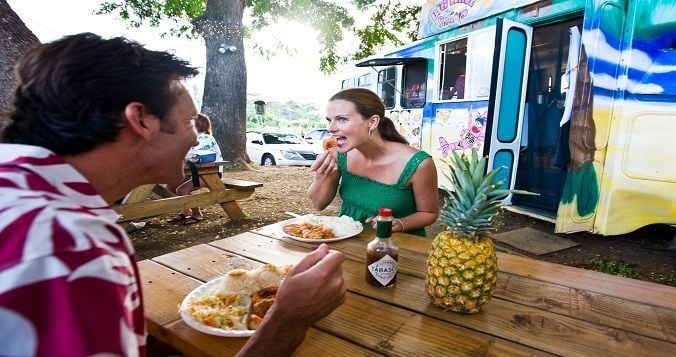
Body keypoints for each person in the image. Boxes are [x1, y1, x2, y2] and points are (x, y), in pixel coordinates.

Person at [0, 33, 346, 356]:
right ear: (141, 120)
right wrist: (287, 322)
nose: (196, 138)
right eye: (190, 122)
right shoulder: (71, 249)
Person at [308, 88, 439, 236]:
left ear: (372, 122)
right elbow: (318, 204)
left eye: (342, 119)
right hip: (348, 240)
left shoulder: (418, 164)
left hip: (396, 246)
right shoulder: (338, 154)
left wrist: (399, 223)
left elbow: (429, 213)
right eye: (329, 120)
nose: (330, 128)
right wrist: (321, 175)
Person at [166, 113, 222, 225]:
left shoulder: (206, 138)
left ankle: (197, 214)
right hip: (194, 172)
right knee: (171, 186)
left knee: (182, 190)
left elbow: (192, 155)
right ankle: (186, 211)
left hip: (210, 173)